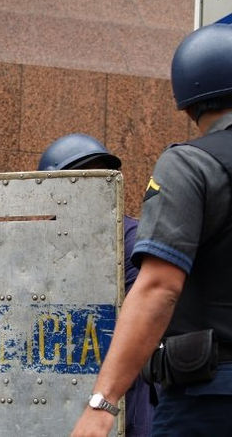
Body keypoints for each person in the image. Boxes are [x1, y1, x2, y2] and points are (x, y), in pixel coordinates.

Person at [71, 23, 232, 436]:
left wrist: (102, 403)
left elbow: (160, 286)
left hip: (210, 401)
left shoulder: (190, 164)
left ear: (188, 103)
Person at [39, 134, 153, 436]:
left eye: (102, 177)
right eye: (81, 179)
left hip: (122, 399)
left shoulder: (131, 240)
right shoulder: (40, 246)